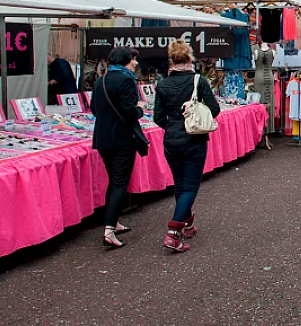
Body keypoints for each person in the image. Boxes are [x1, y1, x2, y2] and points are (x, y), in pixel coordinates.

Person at [153, 41, 221, 253]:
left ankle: (188, 224)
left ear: (171, 60)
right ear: (189, 59)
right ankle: (174, 232)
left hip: (171, 140)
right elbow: (215, 109)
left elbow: (157, 117)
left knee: (180, 184)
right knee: (190, 186)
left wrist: (173, 126)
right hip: (194, 140)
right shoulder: (198, 81)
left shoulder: (162, 84)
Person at [91, 46, 144, 248]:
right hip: (122, 138)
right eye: (133, 59)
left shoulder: (100, 80)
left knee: (114, 181)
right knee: (120, 183)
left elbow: (94, 109)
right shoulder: (126, 80)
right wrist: (139, 111)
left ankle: (112, 221)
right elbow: (129, 111)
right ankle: (109, 229)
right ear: (124, 60)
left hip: (103, 138)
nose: (135, 63)